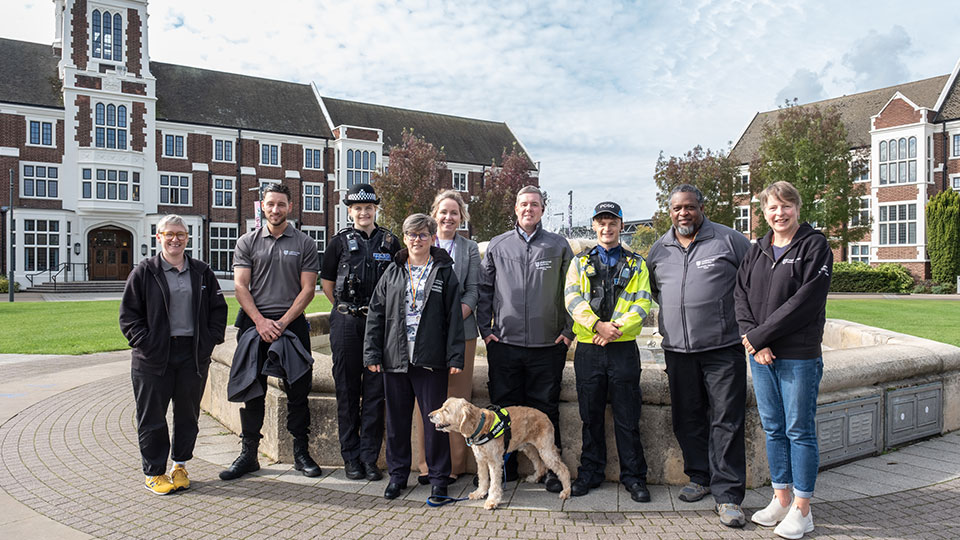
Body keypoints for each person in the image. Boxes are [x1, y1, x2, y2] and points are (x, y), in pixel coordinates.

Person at [646, 184, 752, 527]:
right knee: (687, 417)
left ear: (701, 208)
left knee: (727, 420)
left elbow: (754, 282)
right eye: (677, 208)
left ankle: (729, 495)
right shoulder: (659, 249)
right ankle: (699, 476)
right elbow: (652, 292)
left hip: (722, 349)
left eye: (689, 207)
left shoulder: (728, 240)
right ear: (670, 211)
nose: (683, 214)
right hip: (678, 351)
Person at [735, 181, 832, 539]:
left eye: (786, 206)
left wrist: (760, 336)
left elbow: (805, 302)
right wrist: (753, 342)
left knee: (799, 430)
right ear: (764, 212)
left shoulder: (815, 246)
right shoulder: (756, 249)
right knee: (773, 428)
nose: (780, 213)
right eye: (773, 207)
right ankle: (781, 497)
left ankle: (803, 509)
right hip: (761, 357)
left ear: (798, 208)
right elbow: (740, 295)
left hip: (798, 356)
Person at [220, 183, 322, 480]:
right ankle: (249, 454)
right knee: (254, 392)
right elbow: (240, 286)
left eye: (281, 204)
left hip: (292, 326)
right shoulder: (247, 242)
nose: (275, 209)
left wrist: (283, 322)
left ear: (290, 207)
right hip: (255, 325)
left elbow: (308, 289)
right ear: (262, 206)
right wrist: (261, 322)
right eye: (270, 204)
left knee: (299, 392)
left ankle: (301, 454)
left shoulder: (304, 242)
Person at [476, 185, 574, 493]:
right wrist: (486, 330)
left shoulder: (558, 246)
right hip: (505, 344)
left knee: (546, 408)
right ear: (515, 209)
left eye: (534, 204)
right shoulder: (498, 244)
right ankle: (502, 471)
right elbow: (484, 289)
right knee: (502, 410)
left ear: (542, 210)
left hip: (549, 345)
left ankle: (549, 471)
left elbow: (573, 290)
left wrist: (569, 331)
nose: (528, 209)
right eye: (523, 204)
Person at [120, 214, 228, 495]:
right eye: (169, 234)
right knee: (152, 416)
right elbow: (129, 316)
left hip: (191, 355)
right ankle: (154, 472)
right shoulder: (144, 272)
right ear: (159, 237)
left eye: (180, 234)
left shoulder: (201, 272)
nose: (175, 239)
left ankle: (179, 465)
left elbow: (219, 310)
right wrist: (146, 343)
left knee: (187, 415)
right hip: (153, 358)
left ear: (187, 238)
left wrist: (209, 342)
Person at [363, 213, 465, 499]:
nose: (416, 240)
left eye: (422, 234)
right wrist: (371, 352)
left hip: (430, 360)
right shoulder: (393, 271)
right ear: (404, 238)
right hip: (395, 359)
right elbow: (376, 313)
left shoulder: (444, 271)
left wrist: (455, 357)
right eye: (411, 234)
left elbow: (454, 318)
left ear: (431, 238)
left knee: (437, 423)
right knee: (396, 421)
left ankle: (438, 478)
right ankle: (397, 476)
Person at [564, 201, 654, 503]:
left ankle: (634, 477)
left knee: (628, 416)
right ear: (593, 226)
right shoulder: (579, 262)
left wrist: (612, 328)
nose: (606, 227)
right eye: (601, 222)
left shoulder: (636, 263)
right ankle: (590, 472)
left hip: (623, 349)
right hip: (589, 349)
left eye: (612, 221)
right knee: (590, 416)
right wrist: (596, 326)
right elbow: (572, 299)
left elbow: (643, 304)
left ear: (621, 225)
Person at [320, 183, 399, 481]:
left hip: (379, 324)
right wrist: (345, 310)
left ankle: (369, 458)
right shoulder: (338, 242)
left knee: (376, 393)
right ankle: (350, 457)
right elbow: (327, 283)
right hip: (347, 323)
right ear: (350, 211)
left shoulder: (390, 243)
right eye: (358, 208)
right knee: (347, 391)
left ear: (375, 209)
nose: (363, 213)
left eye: (369, 208)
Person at [412, 190, 481, 485]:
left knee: (457, 400)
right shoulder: (422, 242)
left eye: (454, 213)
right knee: (425, 401)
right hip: (425, 337)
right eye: (443, 212)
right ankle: (426, 465)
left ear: (461, 217)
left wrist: (451, 321)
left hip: (461, 334)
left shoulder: (470, 249)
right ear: (434, 214)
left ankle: (454, 466)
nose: (448, 217)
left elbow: (473, 290)